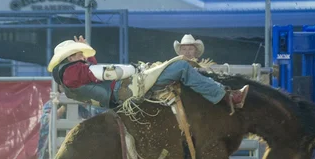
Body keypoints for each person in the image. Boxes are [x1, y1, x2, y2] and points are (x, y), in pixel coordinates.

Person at [48, 36, 249, 111]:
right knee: (181, 68)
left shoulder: (70, 74)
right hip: (124, 89)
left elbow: (93, 74)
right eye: (78, 53)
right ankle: (226, 96)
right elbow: (109, 73)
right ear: (71, 57)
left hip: (114, 96)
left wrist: (87, 57)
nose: (82, 55)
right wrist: (134, 69)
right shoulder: (74, 72)